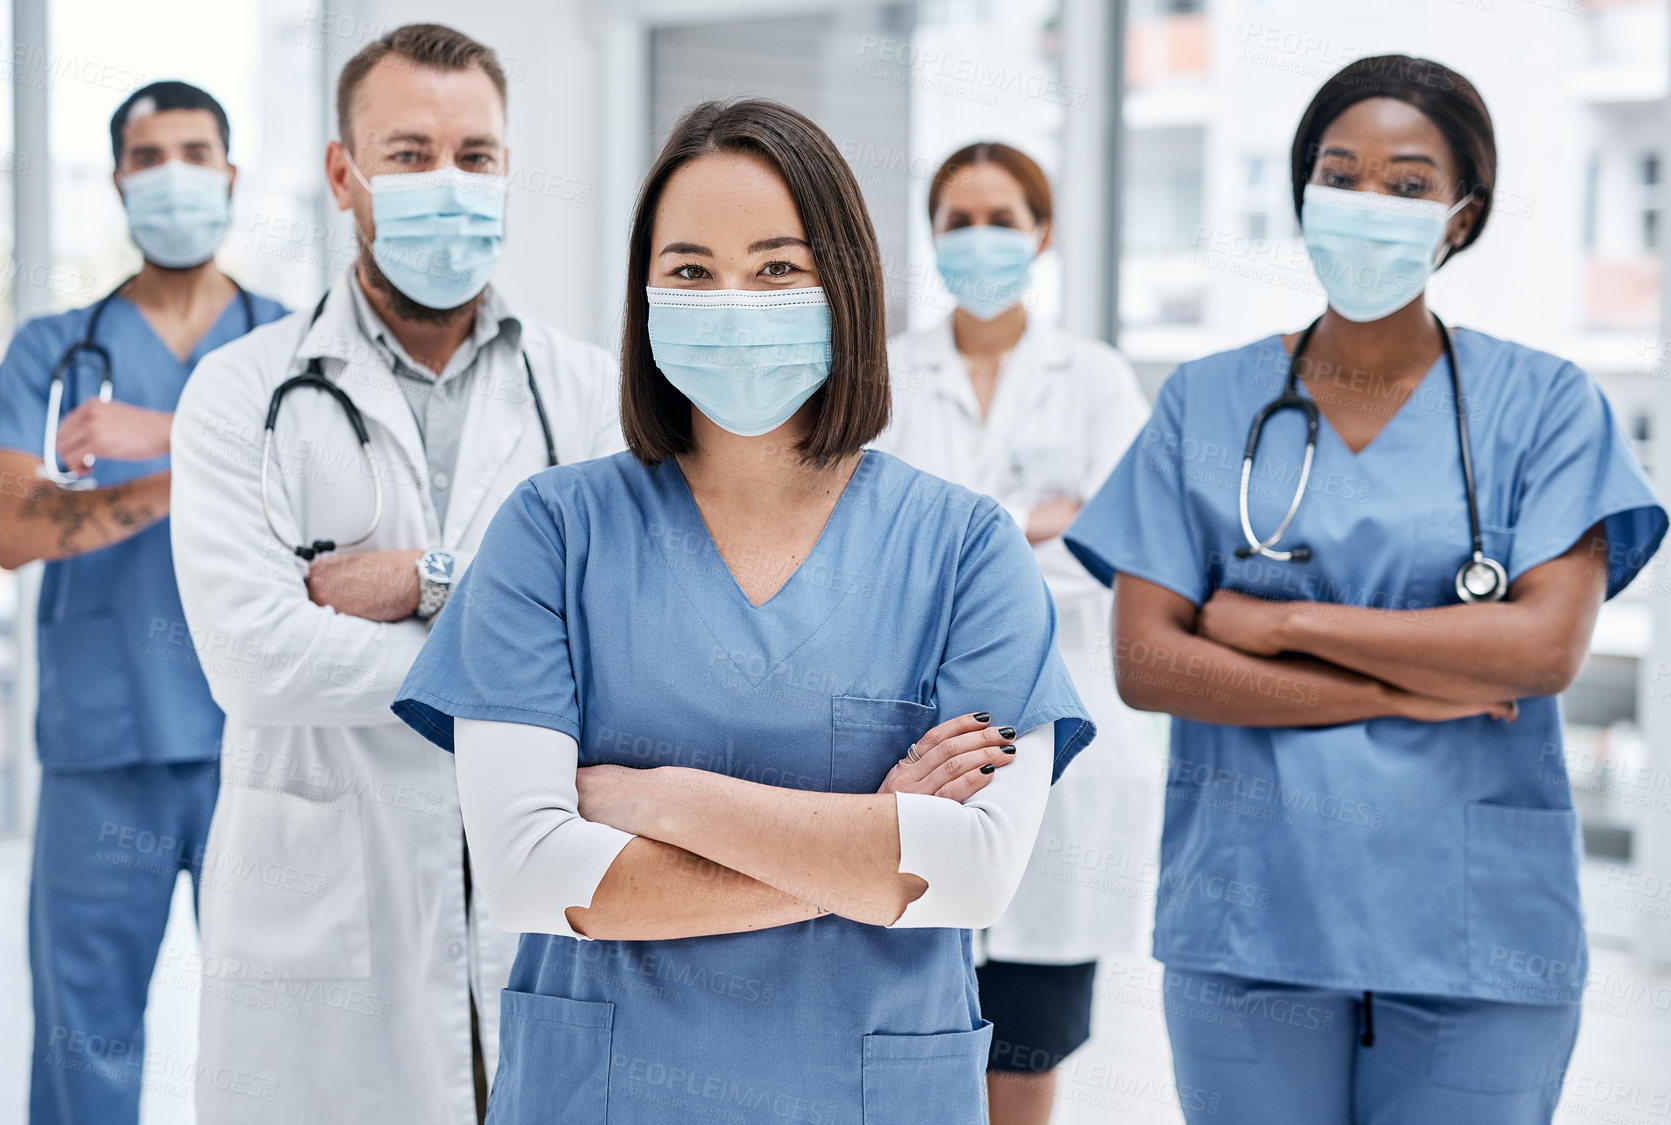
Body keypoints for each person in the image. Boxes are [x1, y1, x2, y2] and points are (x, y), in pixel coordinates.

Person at [390, 97, 1095, 1125]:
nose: (730, 302)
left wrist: (659, 798)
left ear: (843, 285)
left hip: (863, 1091)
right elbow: (531, 874)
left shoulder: (965, 550)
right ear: (643, 298)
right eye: (688, 271)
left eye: (774, 268)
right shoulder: (552, 531)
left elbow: (974, 875)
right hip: (607, 1093)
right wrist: (870, 850)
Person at [1067, 55, 1667, 1124]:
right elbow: (1148, 661)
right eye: (1338, 176)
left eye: (1405, 185)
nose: (1365, 205)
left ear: (1460, 215)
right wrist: (1403, 688)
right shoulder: (1206, 402)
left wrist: (1278, 621)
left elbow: (1538, 652)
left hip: (1476, 936)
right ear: (1301, 196)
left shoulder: (1541, 404)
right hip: (1254, 918)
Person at [168, 24, 622, 1125]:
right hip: (325, 919)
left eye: (475, 155)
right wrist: (515, 629)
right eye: (410, 154)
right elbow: (258, 661)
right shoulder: (240, 394)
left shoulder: (590, 389)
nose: (448, 183)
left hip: (538, 901)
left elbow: (624, 634)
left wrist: (425, 577)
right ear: (344, 173)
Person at [0, 81, 289, 1125]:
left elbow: (339, 510)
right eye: (149, 155)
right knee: (84, 1048)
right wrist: (201, 458)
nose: (174, 174)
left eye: (195, 152)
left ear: (229, 176)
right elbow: (16, 529)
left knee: (280, 1035)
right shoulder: (56, 350)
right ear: (121, 181)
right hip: (104, 755)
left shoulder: (292, 344)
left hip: (265, 750)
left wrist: (162, 431)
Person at [870, 141, 1162, 1125]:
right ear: (931, 235)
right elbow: (866, 548)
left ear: (1041, 233)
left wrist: (963, 539)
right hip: (909, 736)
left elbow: (1119, 547)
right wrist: (1033, 520)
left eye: (1002, 218)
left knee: (1028, 1035)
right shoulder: (885, 375)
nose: (979, 238)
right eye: (958, 219)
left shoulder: (1094, 378)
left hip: (1059, 738)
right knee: (905, 1021)